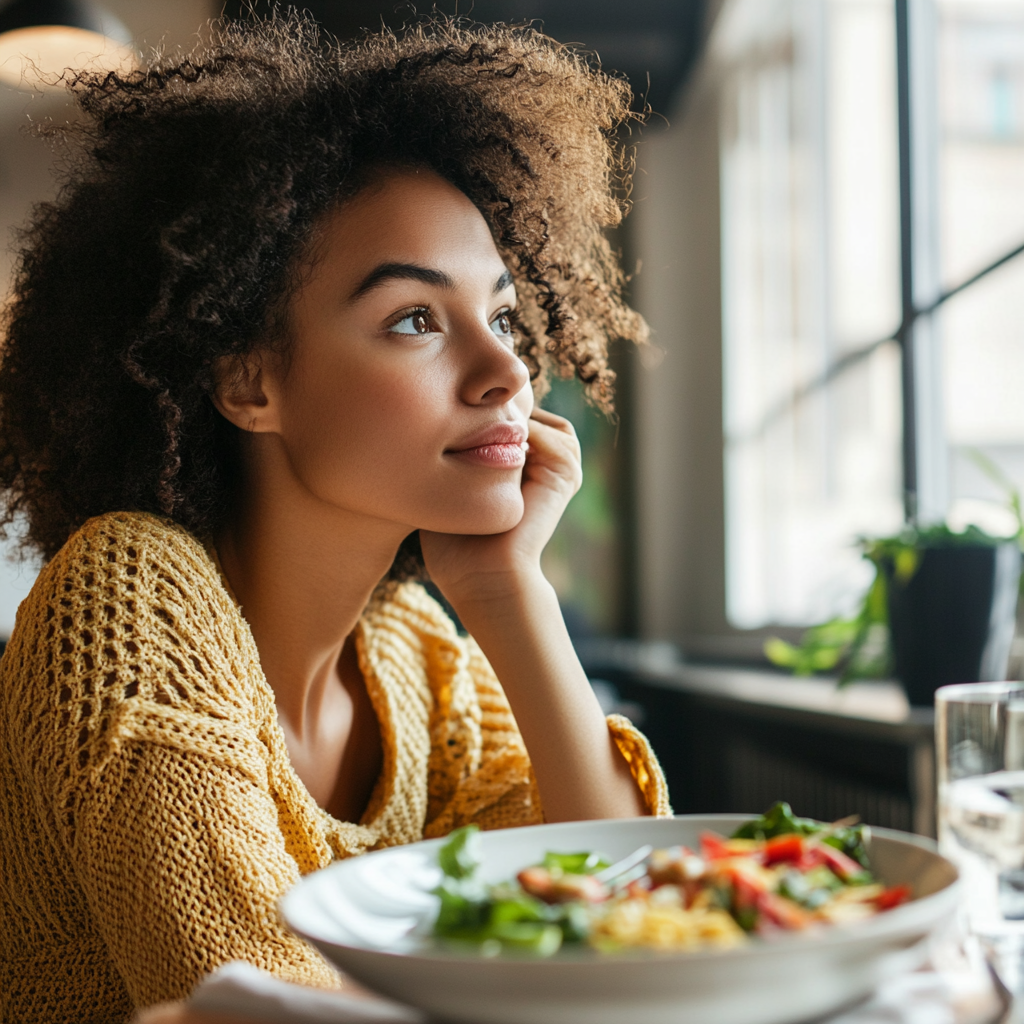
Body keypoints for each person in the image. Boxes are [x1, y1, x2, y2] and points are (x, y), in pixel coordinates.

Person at [0, 11, 670, 1024]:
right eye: (414, 319)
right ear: (248, 379)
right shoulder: (127, 593)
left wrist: (508, 589)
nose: (506, 373)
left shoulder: (417, 660)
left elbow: (629, 932)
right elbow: (250, 1004)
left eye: (498, 314)